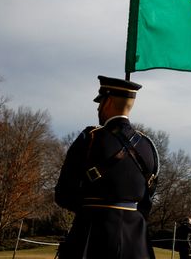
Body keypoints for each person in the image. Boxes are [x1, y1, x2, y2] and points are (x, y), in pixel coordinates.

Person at [55, 76, 159, 259]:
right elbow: (146, 201)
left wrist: (92, 209)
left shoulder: (90, 138)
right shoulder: (149, 146)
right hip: (136, 242)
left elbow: (63, 194)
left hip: (91, 236)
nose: (97, 107)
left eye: (100, 101)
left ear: (108, 101)